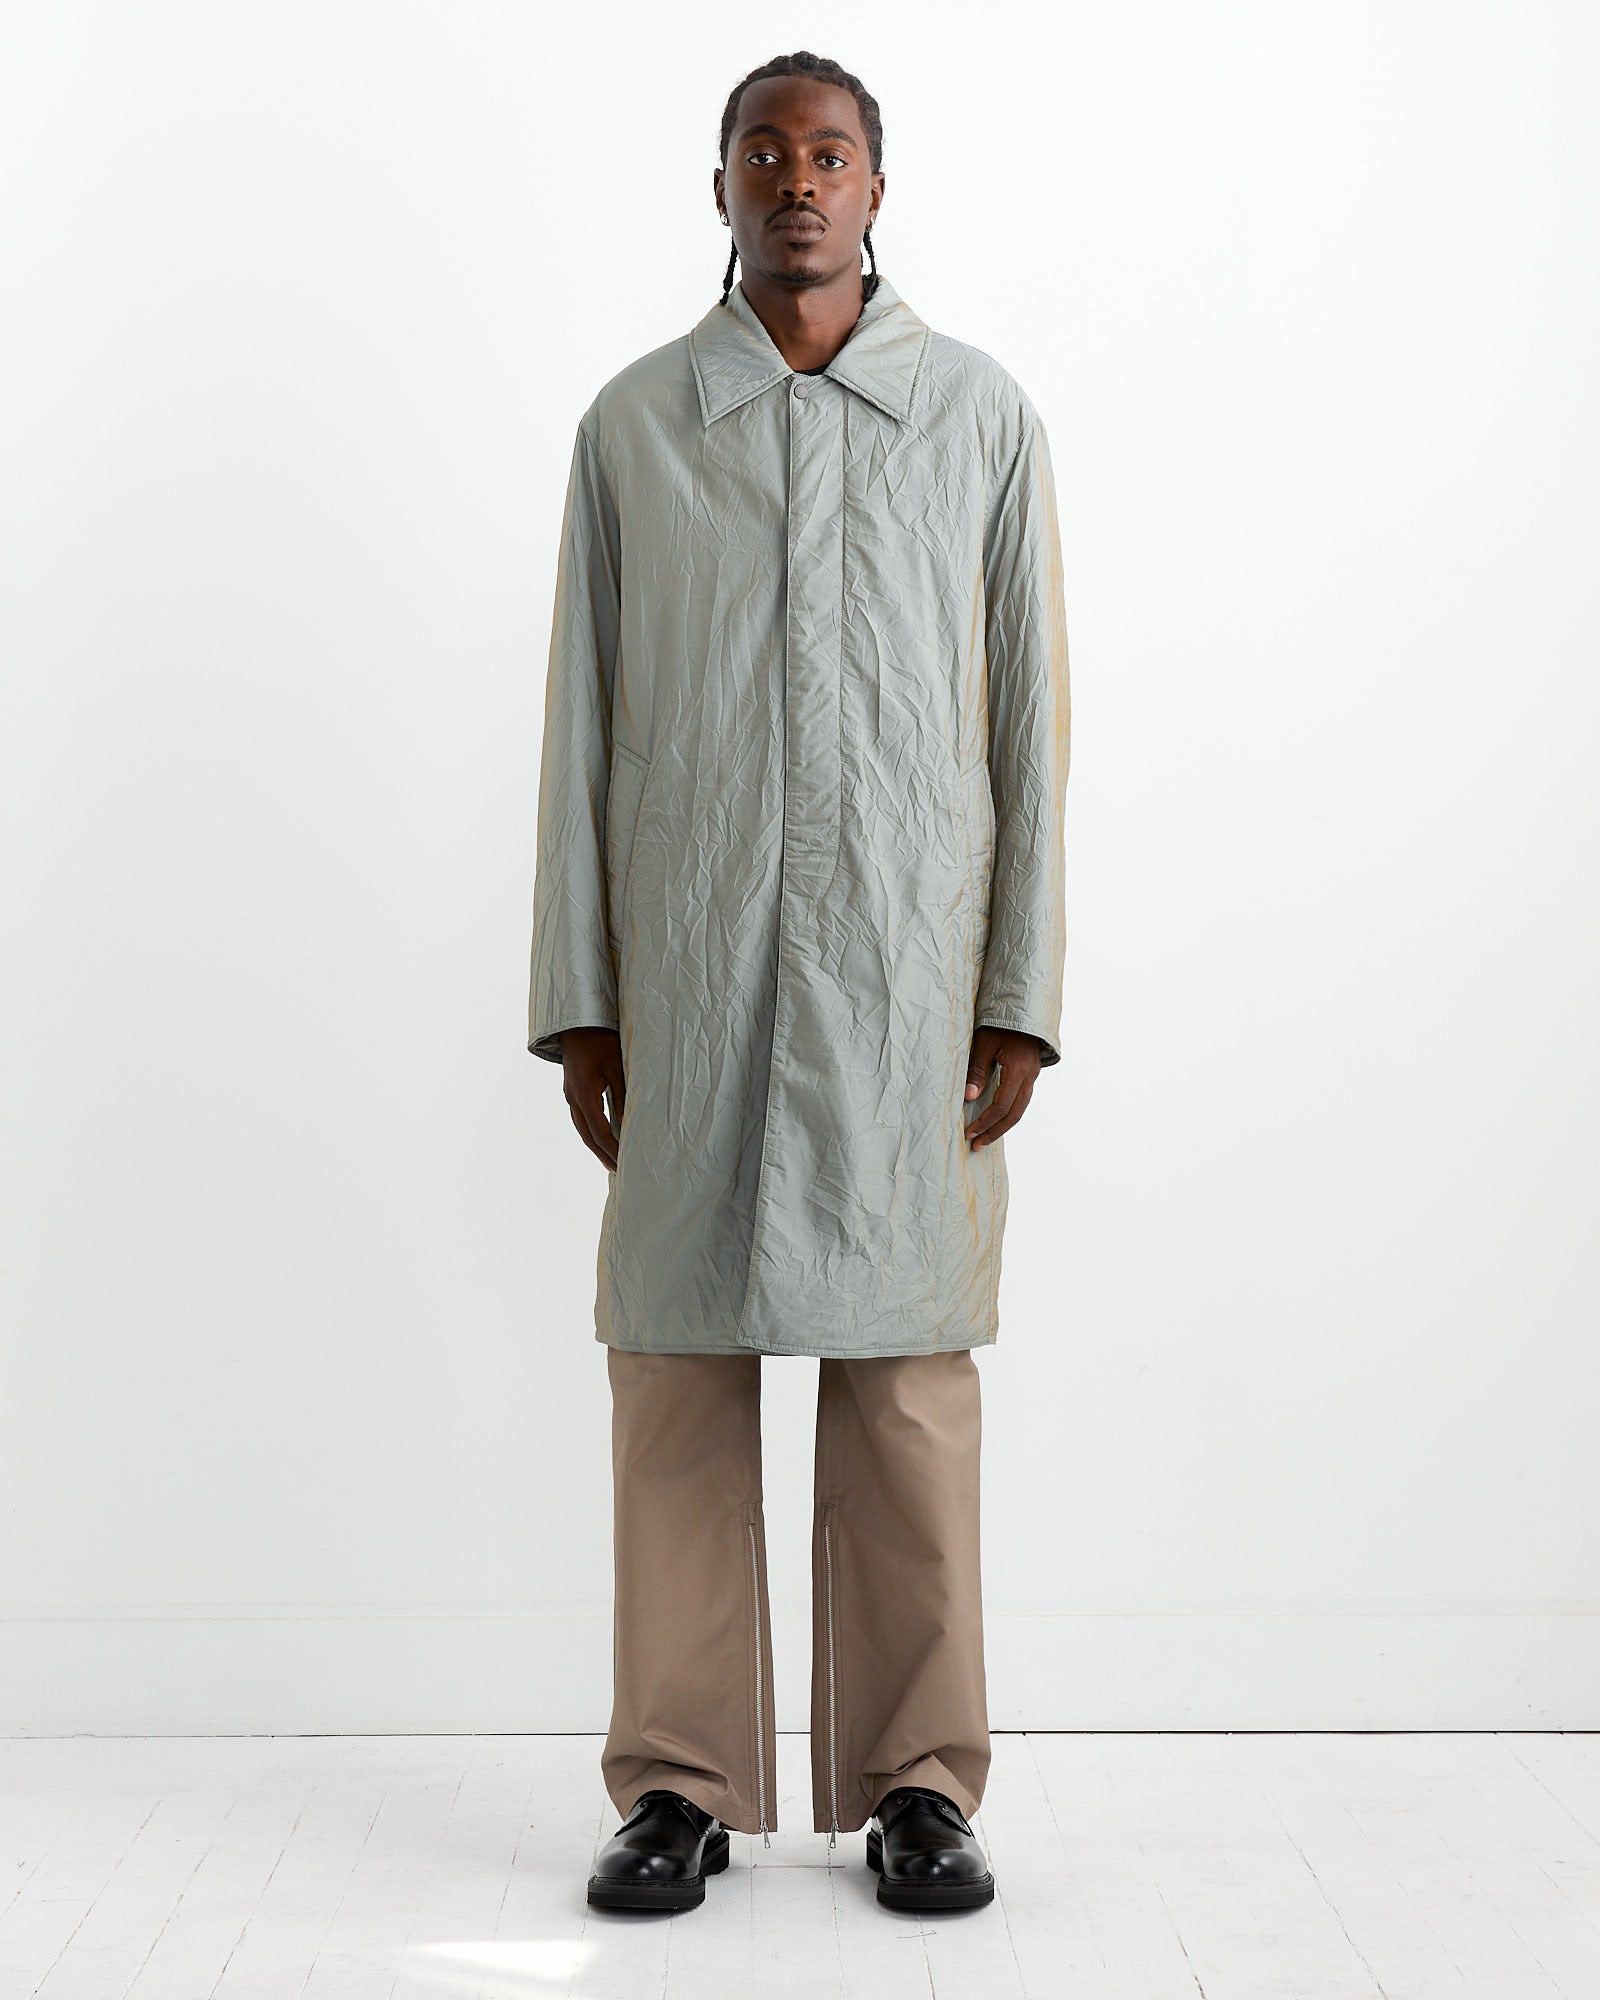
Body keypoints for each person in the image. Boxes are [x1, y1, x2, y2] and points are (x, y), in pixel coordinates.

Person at [526, 49, 1070, 1915]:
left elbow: (1029, 729)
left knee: (905, 1380)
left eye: (830, 153)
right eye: (764, 153)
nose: (798, 182)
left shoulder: (979, 419)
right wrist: (583, 995)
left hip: (911, 981)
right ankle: (677, 1785)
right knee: (676, 1380)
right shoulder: (635, 426)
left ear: (878, 187)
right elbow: (579, 728)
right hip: (689, 972)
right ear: (721, 187)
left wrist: (1020, 989)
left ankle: (921, 1784)